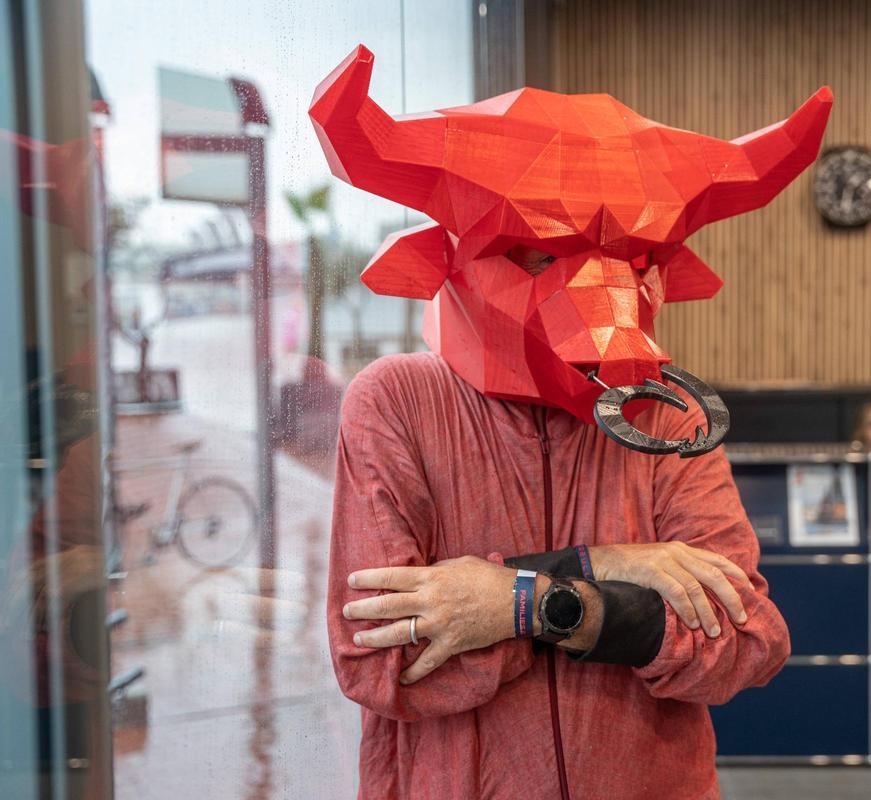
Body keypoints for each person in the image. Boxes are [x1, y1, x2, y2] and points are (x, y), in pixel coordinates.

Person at [314, 44, 833, 799]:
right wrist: (614, 567)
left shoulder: (663, 414)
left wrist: (521, 600)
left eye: (635, 259)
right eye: (531, 256)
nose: (600, 313)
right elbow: (380, 658)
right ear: (449, 259)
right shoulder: (394, 402)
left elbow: (747, 637)